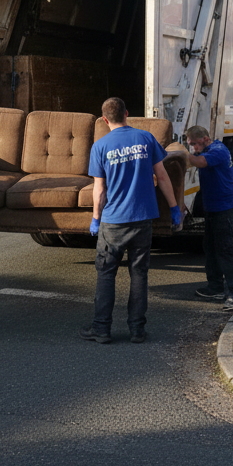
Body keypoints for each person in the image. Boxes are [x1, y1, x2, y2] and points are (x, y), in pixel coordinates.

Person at [81, 97, 183, 344]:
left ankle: (102, 329)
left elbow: (99, 189)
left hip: (114, 222)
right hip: (142, 219)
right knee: (139, 274)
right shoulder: (146, 139)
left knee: (106, 274)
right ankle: (137, 330)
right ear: (127, 113)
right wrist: (175, 208)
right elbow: (163, 177)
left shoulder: (100, 146)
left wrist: (96, 218)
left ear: (104, 120)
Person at [185, 125, 233, 311]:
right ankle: (215, 287)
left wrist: (181, 154)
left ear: (205, 139)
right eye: (190, 145)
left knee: (225, 250)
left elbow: (201, 162)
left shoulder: (218, 150)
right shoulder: (209, 150)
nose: (193, 148)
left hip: (224, 207)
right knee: (210, 246)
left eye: (194, 144)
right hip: (213, 206)